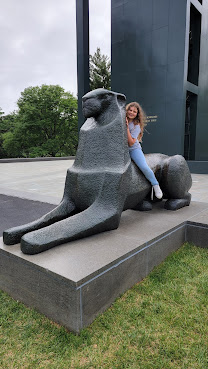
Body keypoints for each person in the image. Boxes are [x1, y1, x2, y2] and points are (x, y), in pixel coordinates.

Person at [126, 101, 163, 200]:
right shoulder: (121, 120)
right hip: (122, 150)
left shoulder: (136, 125)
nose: (131, 113)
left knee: (144, 167)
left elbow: (130, 143)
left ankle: (155, 185)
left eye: (134, 111)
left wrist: (126, 128)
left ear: (137, 114)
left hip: (133, 149)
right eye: (130, 110)